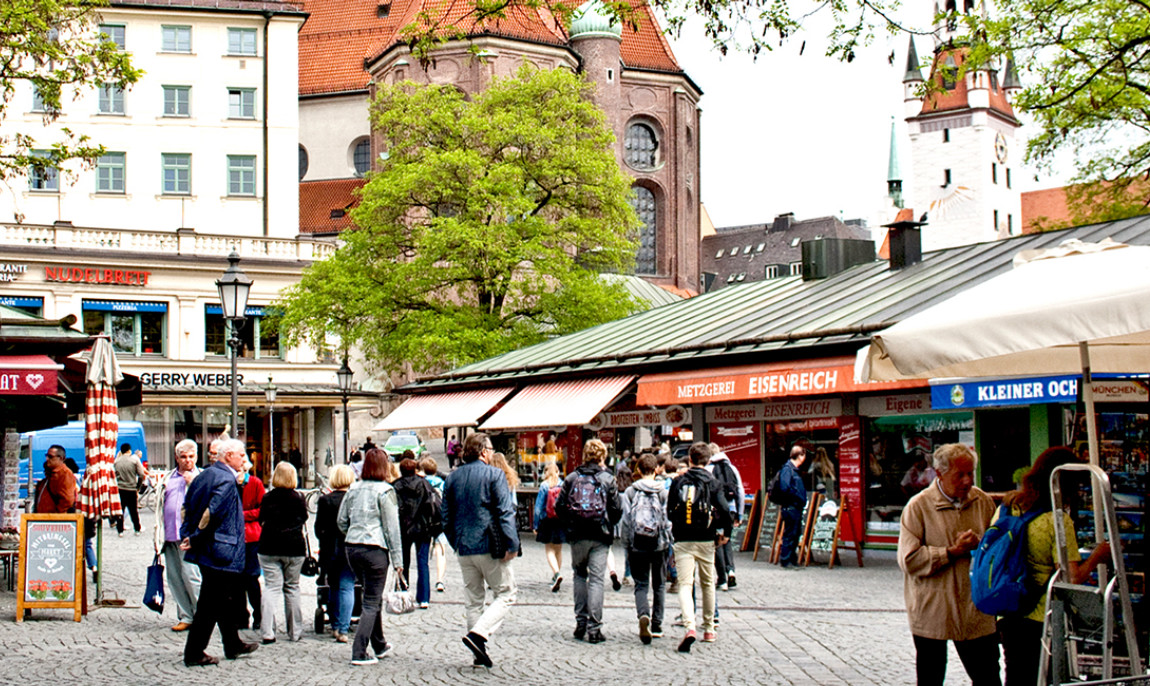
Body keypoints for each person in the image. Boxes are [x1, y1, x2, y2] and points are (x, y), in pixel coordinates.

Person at [997, 447, 1110, 686]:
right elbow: (1072, 577)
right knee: (1041, 677)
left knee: (1015, 676)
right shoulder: (1057, 520)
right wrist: (1098, 556)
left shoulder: (1007, 508)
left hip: (1006, 609)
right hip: (1041, 615)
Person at [897, 443, 1000, 686]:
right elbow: (909, 560)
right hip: (933, 609)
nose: (966, 481)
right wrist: (950, 553)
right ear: (940, 473)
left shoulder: (982, 501)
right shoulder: (918, 506)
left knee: (988, 677)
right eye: (960, 475)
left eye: (970, 473)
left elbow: (996, 551)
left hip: (976, 610)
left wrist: (982, 546)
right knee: (931, 678)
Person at [443, 433, 519, 668]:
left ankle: (478, 652)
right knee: (506, 593)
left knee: (474, 600)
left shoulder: (452, 478)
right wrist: (512, 544)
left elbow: (445, 517)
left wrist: (455, 541)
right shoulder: (494, 474)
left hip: (464, 546)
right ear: (484, 451)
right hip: (489, 545)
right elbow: (505, 512)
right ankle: (479, 635)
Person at [180, 438, 258, 666]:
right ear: (229, 456)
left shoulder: (206, 474)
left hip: (211, 547)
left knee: (223, 598)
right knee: (210, 604)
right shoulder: (225, 480)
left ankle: (232, 643)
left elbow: (188, 506)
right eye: (241, 455)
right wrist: (193, 537)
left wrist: (188, 533)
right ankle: (194, 652)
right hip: (221, 549)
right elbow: (211, 513)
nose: (245, 459)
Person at [338, 448, 404, 665]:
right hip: (375, 549)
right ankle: (359, 650)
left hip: (353, 548)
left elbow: (341, 520)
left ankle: (379, 643)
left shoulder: (353, 489)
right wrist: (398, 561)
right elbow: (392, 529)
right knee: (371, 601)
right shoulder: (386, 491)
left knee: (369, 595)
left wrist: (352, 532)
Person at [555, 438, 622, 644]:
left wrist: (571, 523)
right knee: (596, 580)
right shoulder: (607, 479)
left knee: (579, 576)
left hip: (577, 534)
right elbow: (617, 509)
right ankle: (594, 628)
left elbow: (559, 506)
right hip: (600, 534)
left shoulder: (572, 477)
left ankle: (580, 623)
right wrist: (610, 524)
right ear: (602, 456)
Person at [667, 442, 731, 653]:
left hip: (683, 538)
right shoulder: (713, 482)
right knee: (707, 583)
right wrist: (725, 533)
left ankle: (689, 626)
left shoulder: (678, 481)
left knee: (685, 584)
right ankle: (710, 628)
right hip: (706, 538)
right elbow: (724, 509)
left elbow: (669, 511)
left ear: (691, 459)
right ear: (708, 460)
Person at [620, 452, 672, 645]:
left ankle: (644, 615)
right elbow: (667, 521)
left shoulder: (631, 492)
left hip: (637, 544)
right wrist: (668, 542)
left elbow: (626, 521)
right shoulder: (663, 491)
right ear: (656, 470)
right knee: (659, 584)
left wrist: (626, 544)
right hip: (659, 544)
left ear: (639, 470)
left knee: (641, 584)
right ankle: (657, 625)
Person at [154, 439, 202, 632]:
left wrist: (194, 484)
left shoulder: (201, 477)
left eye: (191, 457)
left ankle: (201, 615)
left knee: (192, 576)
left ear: (196, 457)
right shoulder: (168, 478)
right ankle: (186, 615)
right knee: (175, 578)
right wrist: (157, 535)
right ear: (177, 457)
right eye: (183, 457)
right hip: (169, 535)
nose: (187, 461)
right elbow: (160, 506)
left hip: (190, 537)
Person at [258, 462, 308, 644]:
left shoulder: (268, 497)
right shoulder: (299, 498)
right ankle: (295, 632)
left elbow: (260, 518)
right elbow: (304, 518)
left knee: (271, 587)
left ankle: (267, 632)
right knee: (292, 587)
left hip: (269, 546)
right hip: (294, 548)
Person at [315, 464, 356, 642]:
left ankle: (335, 624)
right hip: (350, 548)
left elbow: (318, 529)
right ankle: (344, 629)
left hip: (330, 550)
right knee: (348, 586)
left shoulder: (325, 500)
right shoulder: (354, 499)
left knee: (333, 586)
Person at [393, 457, 440, 610]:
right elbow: (432, 505)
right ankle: (424, 598)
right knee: (423, 563)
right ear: (415, 469)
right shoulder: (424, 484)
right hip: (422, 528)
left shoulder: (396, 486)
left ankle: (402, 594)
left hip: (403, 528)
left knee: (403, 562)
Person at [707, 443, 743, 590]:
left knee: (717, 542)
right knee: (727, 540)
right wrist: (739, 513)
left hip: (715, 510)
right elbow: (740, 490)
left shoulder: (709, 469)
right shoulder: (732, 468)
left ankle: (722, 579)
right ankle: (731, 570)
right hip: (731, 508)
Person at [238, 457, 264, 632]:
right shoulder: (228, 483)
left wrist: (242, 515)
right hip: (234, 539)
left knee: (252, 579)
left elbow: (262, 510)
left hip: (252, 537)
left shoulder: (255, 483)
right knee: (237, 581)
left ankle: (258, 615)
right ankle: (241, 616)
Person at [533, 462, 565, 592]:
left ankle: (556, 573)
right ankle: (555, 574)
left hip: (547, 520)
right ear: (558, 472)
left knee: (549, 549)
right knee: (558, 549)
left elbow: (538, 508)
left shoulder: (544, 486)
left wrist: (535, 524)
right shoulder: (563, 484)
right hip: (560, 520)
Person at [775, 445, 808, 569]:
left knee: (795, 533)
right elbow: (785, 487)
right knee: (790, 533)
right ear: (799, 456)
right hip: (791, 507)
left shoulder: (793, 470)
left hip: (795, 506)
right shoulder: (788, 469)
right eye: (803, 455)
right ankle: (786, 560)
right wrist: (795, 496)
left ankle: (792, 559)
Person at [421, 458, 449, 593]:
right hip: (440, 520)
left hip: (425, 521)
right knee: (441, 550)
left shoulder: (422, 484)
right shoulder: (442, 484)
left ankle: (424, 579)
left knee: (423, 553)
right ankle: (440, 580)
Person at [114, 442, 148, 536]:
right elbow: (141, 474)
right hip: (131, 488)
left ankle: (120, 530)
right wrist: (138, 486)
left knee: (120, 510)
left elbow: (113, 475)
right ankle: (137, 528)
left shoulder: (117, 461)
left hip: (120, 488)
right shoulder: (134, 460)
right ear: (129, 450)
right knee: (133, 510)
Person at [35, 445, 76, 514]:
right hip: (44, 518)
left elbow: (68, 500)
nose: (47, 459)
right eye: (47, 456)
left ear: (61, 458)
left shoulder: (65, 474)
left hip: (54, 520)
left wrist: (56, 515)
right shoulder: (51, 474)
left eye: (50, 456)